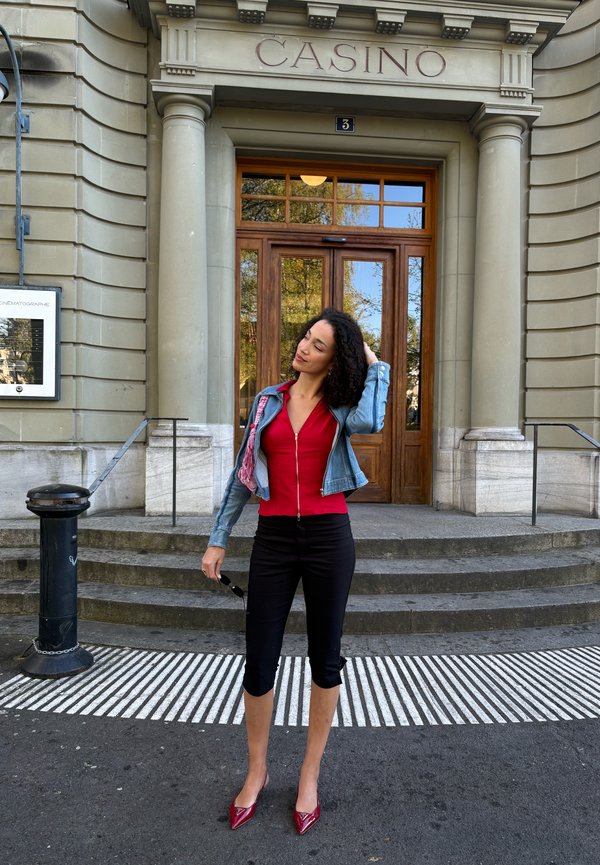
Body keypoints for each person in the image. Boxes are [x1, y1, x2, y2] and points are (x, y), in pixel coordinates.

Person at [201, 307, 390, 835]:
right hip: (275, 539)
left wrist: (376, 364)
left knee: (324, 658)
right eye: (306, 337)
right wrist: (219, 540)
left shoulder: (342, 406)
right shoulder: (268, 401)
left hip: (330, 538)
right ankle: (257, 770)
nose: (304, 347)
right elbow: (243, 477)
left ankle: (309, 775)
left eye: (319, 345)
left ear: (337, 360)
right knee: (259, 658)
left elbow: (372, 421)